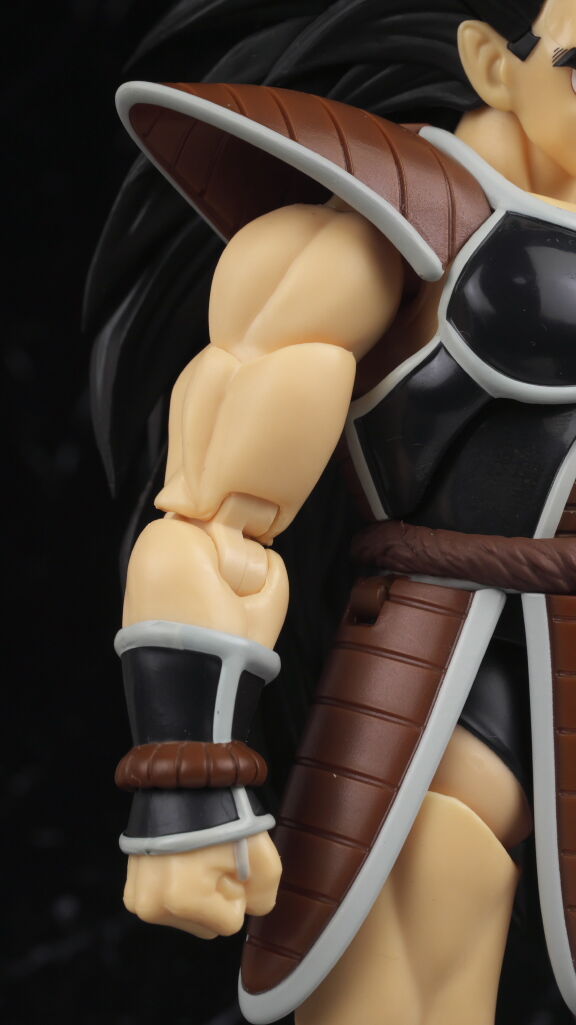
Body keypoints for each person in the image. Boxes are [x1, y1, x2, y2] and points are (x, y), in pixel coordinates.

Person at [88, 1, 576, 1021]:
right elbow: (215, 515)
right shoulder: (386, 230)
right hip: (447, 693)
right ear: (493, 62)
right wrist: (190, 781)